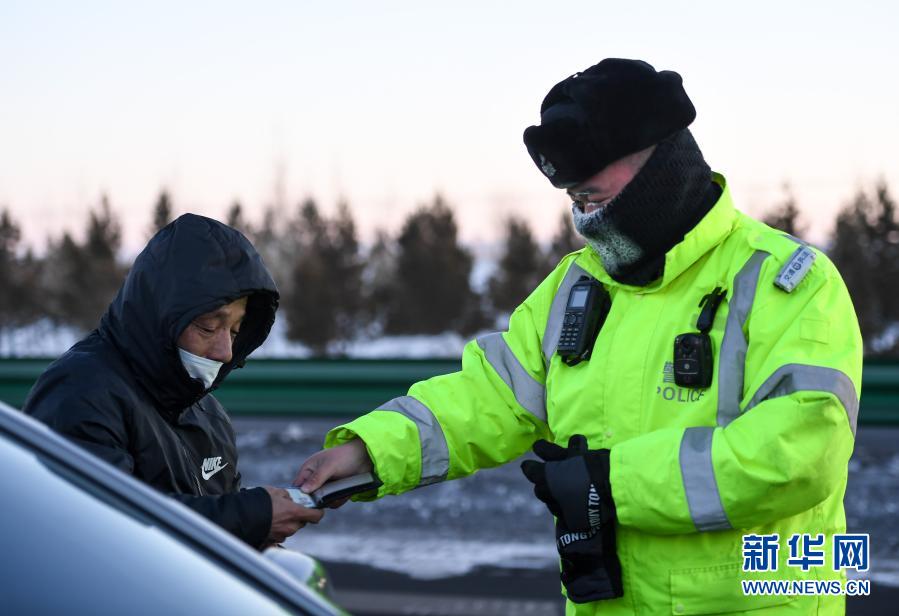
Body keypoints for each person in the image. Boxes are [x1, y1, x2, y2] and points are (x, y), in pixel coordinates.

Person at [296, 59, 862, 613]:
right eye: (576, 201)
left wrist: (610, 486)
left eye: (596, 197)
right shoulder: (576, 286)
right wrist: (369, 451)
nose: (586, 217)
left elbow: (801, 451)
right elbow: (488, 397)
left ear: (662, 167)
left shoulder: (787, 280)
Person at [26, 213, 322, 549]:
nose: (225, 351)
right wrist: (248, 517)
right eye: (208, 327)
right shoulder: (81, 390)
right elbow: (99, 524)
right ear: (160, 316)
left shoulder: (208, 414)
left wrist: (262, 533)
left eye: (235, 330)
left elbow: (213, 525)